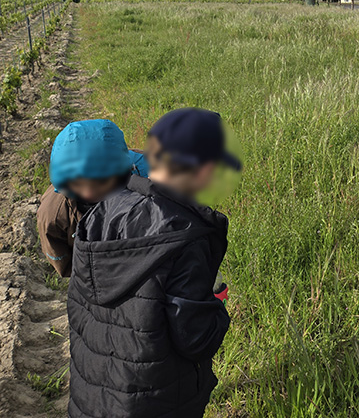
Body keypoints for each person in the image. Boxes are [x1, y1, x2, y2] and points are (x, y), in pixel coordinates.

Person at [67, 108, 241, 418]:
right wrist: (216, 306)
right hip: (156, 402)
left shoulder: (101, 211)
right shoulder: (186, 236)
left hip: (91, 396)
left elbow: (79, 304)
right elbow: (195, 340)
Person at [37, 119, 148, 277]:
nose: (88, 193)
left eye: (100, 183)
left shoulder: (151, 175)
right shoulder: (53, 213)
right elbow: (64, 263)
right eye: (78, 184)